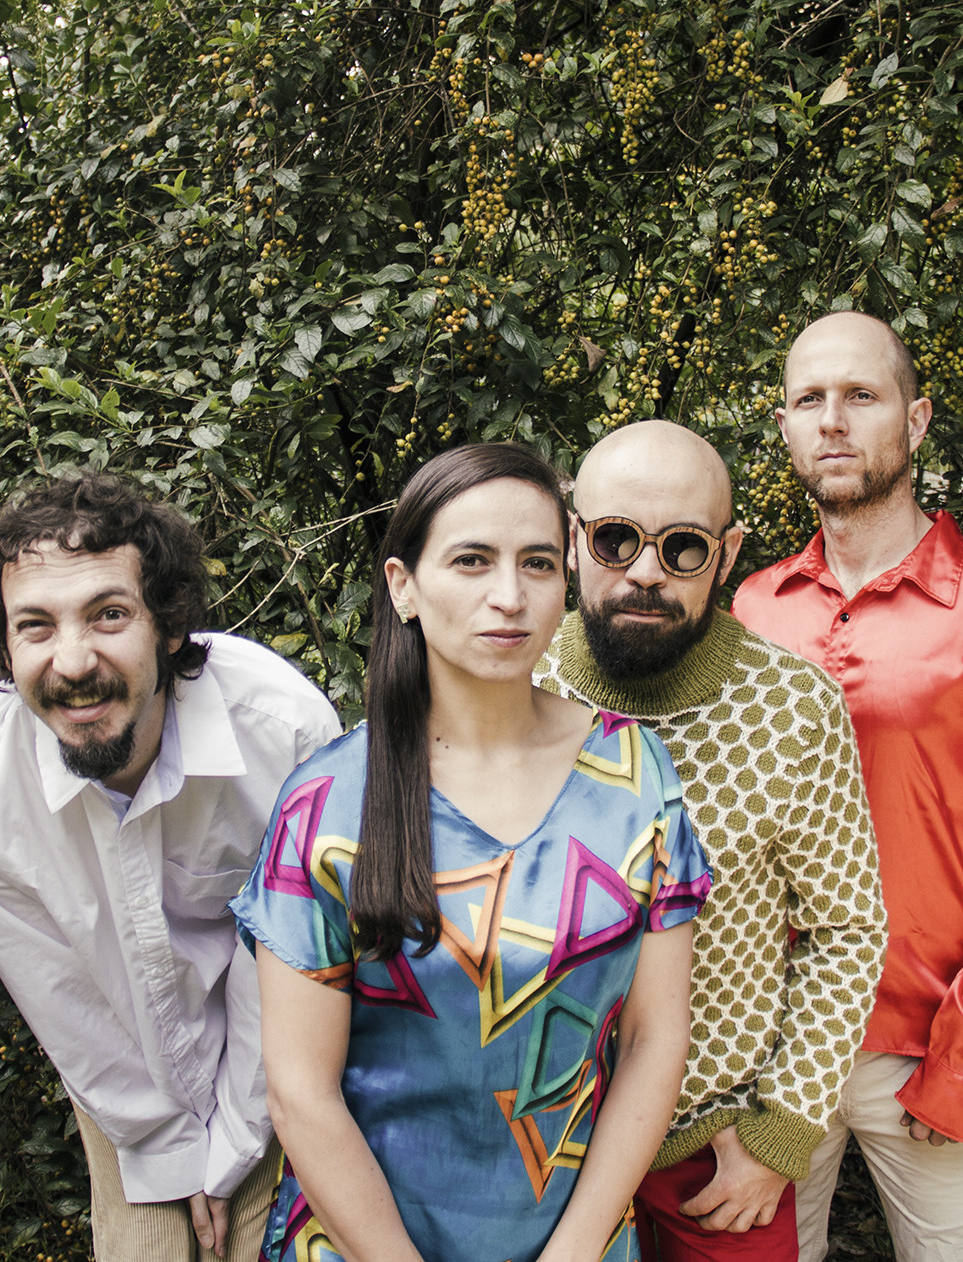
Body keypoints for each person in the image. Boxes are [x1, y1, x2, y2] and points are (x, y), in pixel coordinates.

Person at [232, 442, 711, 1262]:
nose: (509, 596)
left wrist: (575, 1249)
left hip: (574, 1238)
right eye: (471, 560)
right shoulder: (327, 804)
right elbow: (302, 1093)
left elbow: (654, 1039)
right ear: (403, 585)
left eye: (537, 562)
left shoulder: (635, 776)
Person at [0, 473, 341, 1262]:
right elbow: (71, 1008)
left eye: (109, 614)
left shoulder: (284, 733)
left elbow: (284, 965)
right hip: (125, 1071)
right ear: (5, 649)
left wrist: (233, 1145)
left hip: (283, 1043)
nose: (74, 660)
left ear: (169, 625)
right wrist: (172, 1152)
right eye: (35, 626)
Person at [733, 311, 963, 1262]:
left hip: (927, 1046)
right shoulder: (753, 607)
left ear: (915, 421)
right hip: (771, 1049)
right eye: (810, 400)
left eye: (861, 395)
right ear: (786, 427)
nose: (833, 420)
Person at [532, 420, 884, 1261]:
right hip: (534, 1143)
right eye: (616, 539)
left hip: (711, 1153)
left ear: (726, 556)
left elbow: (847, 928)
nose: (645, 571)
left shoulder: (793, 707)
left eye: (683, 547)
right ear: (575, 540)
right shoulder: (515, 675)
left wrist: (781, 1129)